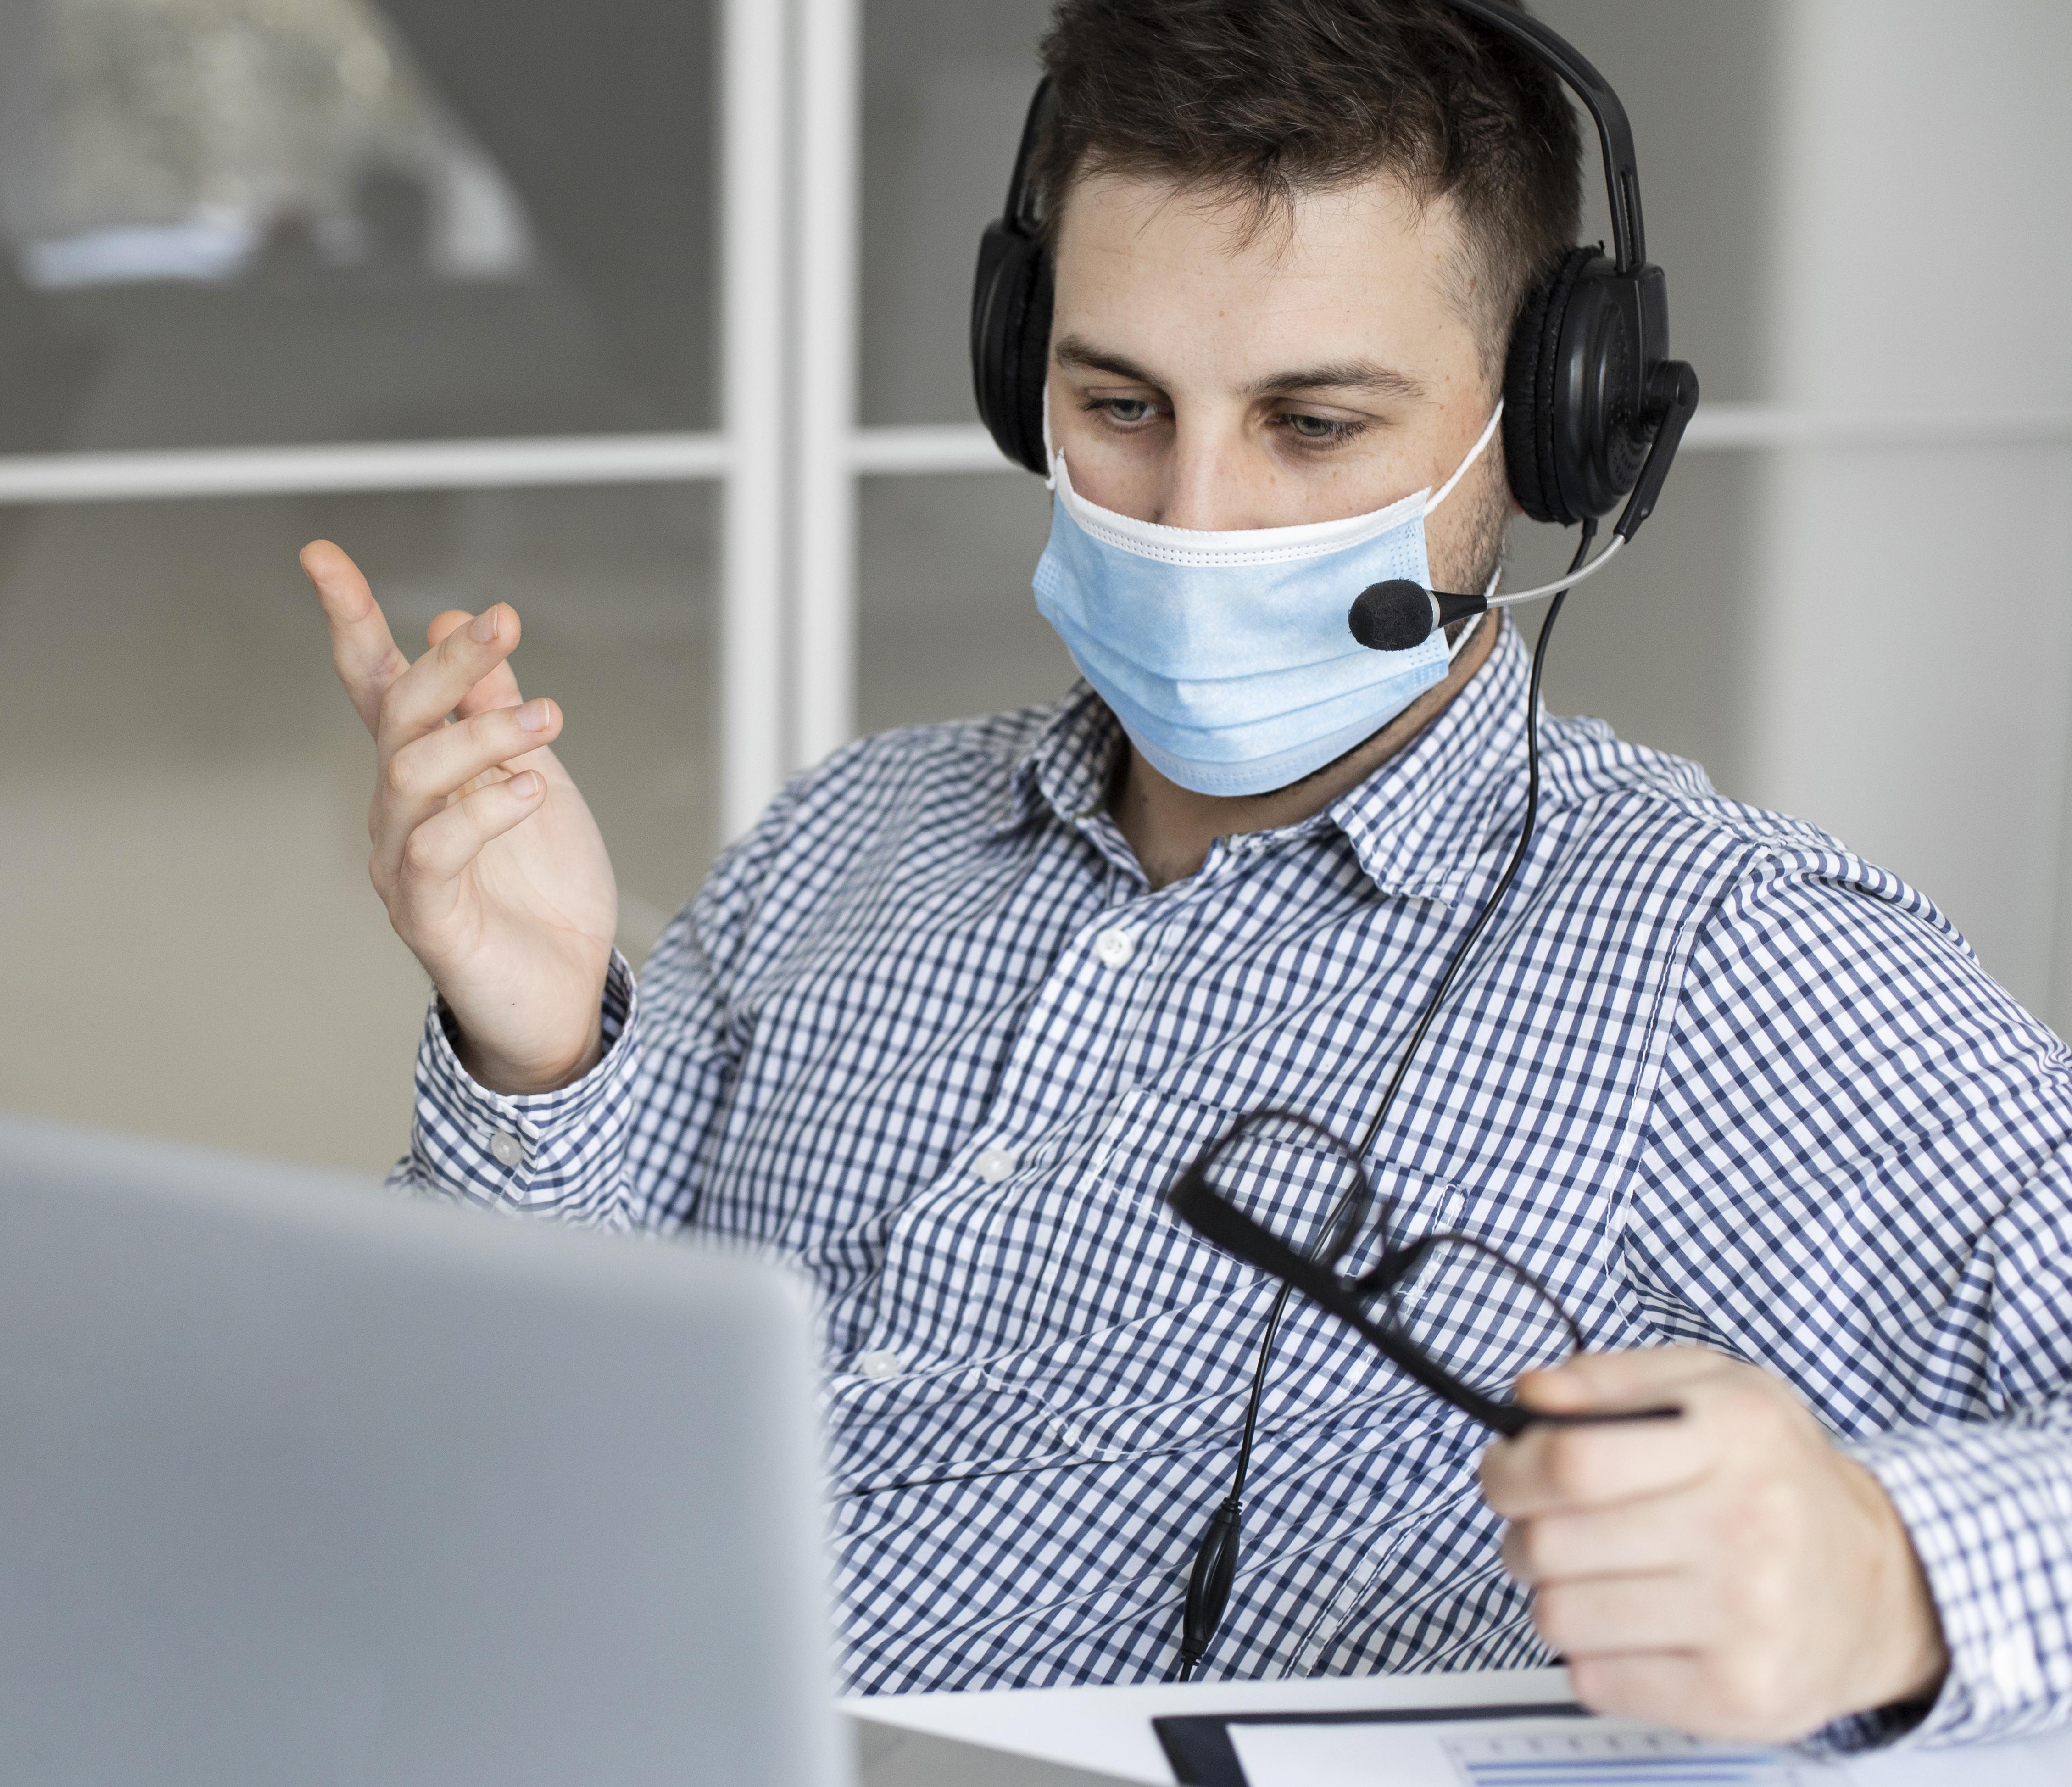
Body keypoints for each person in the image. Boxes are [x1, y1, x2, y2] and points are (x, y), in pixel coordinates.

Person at [302, 0, 2071, 1753]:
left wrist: (1881, 1579)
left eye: (1313, 425)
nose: (1195, 513)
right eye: (1122, 403)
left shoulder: (1729, 966)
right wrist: (538, 1042)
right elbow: (488, 1431)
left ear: (1549, 431)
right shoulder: (849, 837)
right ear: (1025, 379)